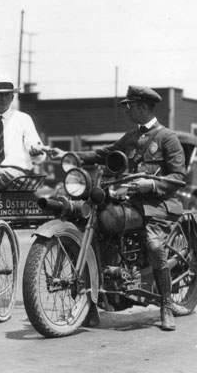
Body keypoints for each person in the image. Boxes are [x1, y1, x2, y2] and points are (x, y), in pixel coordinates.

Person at [75, 85, 189, 331]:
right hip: (130, 202)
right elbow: (104, 154)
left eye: (131, 106)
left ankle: (166, 306)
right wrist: (70, 156)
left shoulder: (167, 137)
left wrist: (151, 184)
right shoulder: (131, 137)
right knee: (99, 233)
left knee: (155, 245)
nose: (128, 111)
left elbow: (179, 177)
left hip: (158, 204)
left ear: (143, 107)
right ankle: (91, 304)